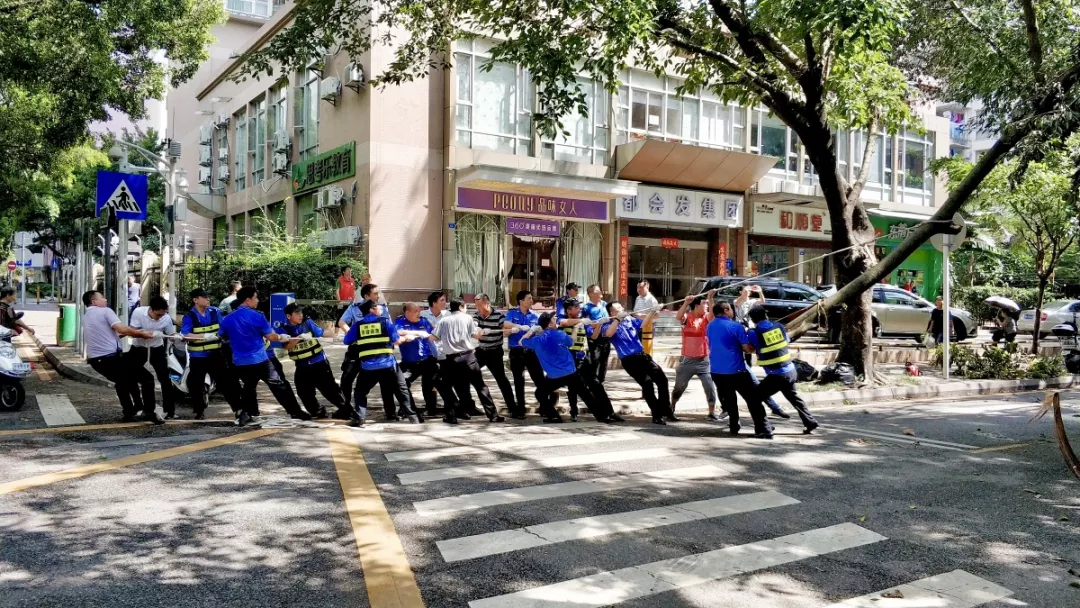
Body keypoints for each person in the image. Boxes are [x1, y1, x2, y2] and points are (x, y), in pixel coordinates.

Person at [218, 287, 310, 425]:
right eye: (256, 298)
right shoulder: (257, 316)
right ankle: (295, 411)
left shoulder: (227, 319)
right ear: (248, 300)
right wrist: (282, 337)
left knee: (249, 387)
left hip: (240, 361)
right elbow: (271, 336)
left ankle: (245, 414)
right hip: (260, 359)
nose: (257, 300)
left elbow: (222, 336)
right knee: (278, 384)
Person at [80, 290, 163, 424]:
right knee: (147, 378)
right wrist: (141, 334)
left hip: (97, 361)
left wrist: (135, 331)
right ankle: (147, 412)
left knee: (123, 380)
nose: (105, 299)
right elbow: (122, 329)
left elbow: (112, 334)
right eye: (102, 297)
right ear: (94, 301)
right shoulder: (105, 311)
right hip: (110, 358)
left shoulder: (86, 315)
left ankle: (130, 411)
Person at [523, 312, 620, 424]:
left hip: (554, 376)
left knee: (540, 393)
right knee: (585, 394)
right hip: (570, 372)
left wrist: (530, 331)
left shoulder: (536, 340)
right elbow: (571, 342)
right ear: (549, 325)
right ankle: (602, 416)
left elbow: (522, 342)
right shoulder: (559, 334)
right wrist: (576, 328)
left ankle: (554, 416)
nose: (555, 319)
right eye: (553, 319)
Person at [343, 299, 421, 425]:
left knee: (360, 392)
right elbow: (397, 340)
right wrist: (407, 337)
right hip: (388, 365)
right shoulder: (385, 322)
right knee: (402, 390)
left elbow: (346, 340)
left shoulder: (358, 325)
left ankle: (360, 417)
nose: (381, 309)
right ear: (371, 310)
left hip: (368, 367)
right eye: (378, 307)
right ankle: (413, 417)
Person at [746, 306, 819, 434]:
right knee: (794, 398)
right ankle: (810, 422)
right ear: (766, 315)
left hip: (777, 375)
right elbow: (786, 340)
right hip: (790, 370)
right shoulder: (779, 326)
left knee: (753, 399)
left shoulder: (754, 333)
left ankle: (765, 430)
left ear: (752, 320)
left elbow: (751, 348)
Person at [707, 301, 774, 439]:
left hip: (717, 371)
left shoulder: (710, 325)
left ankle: (734, 425)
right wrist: (754, 343)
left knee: (729, 399)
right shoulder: (736, 326)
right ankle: (764, 428)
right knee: (753, 399)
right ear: (726, 310)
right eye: (731, 309)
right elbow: (748, 348)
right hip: (736, 370)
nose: (733, 311)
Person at [601, 301, 674, 425]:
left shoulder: (629, 319)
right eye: (619, 308)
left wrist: (652, 311)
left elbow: (643, 324)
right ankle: (657, 415)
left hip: (642, 355)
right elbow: (608, 333)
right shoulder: (607, 324)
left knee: (662, 379)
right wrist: (617, 319)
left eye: (621, 306)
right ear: (612, 312)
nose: (623, 308)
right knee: (647, 384)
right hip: (629, 360)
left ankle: (666, 410)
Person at [432, 299, 504, 424]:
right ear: (461, 307)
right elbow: (476, 335)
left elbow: (434, 337)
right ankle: (493, 415)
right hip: (468, 357)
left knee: (448, 386)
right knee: (480, 386)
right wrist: (483, 331)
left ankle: (451, 416)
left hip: (451, 359)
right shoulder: (467, 318)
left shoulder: (443, 321)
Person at [180, 288, 244, 420]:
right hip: (198, 357)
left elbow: (224, 327)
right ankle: (199, 411)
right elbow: (185, 335)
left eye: (208, 296)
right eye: (204, 297)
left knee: (225, 382)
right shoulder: (189, 316)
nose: (208, 299)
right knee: (195, 384)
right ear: (195, 300)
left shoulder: (215, 312)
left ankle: (238, 409)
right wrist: (204, 336)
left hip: (216, 354)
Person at [279, 303, 347, 419]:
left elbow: (321, 332)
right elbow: (287, 346)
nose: (300, 315)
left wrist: (336, 335)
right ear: (289, 316)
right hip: (302, 365)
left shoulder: (307, 322)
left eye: (301, 312)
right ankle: (318, 412)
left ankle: (347, 411)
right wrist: (299, 338)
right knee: (303, 392)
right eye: (297, 313)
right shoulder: (284, 328)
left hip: (319, 362)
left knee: (330, 390)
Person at [558, 298, 620, 423]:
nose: (579, 309)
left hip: (582, 358)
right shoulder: (562, 319)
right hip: (569, 358)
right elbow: (564, 322)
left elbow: (594, 336)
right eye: (576, 307)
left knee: (596, 384)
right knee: (573, 387)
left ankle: (609, 412)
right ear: (568, 310)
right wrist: (582, 321)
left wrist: (599, 324)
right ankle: (574, 412)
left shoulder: (583, 322)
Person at [672, 293, 722, 422]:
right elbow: (678, 317)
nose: (706, 306)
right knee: (679, 387)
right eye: (704, 303)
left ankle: (711, 412)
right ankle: (671, 409)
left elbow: (713, 314)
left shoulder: (707, 318)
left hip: (704, 360)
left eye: (707, 304)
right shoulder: (687, 317)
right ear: (696, 306)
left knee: (709, 387)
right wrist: (685, 303)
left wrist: (710, 298)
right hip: (687, 360)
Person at [128, 296, 177, 419]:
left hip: (157, 348)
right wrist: (143, 334)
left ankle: (169, 410)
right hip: (139, 347)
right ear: (151, 309)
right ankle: (138, 405)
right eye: (157, 315)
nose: (159, 317)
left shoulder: (166, 318)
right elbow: (132, 331)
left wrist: (177, 337)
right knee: (131, 375)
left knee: (165, 379)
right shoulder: (138, 312)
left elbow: (171, 335)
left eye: (162, 315)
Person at [394, 302, 440, 418]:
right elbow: (397, 332)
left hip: (426, 359)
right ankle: (409, 409)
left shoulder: (424, 321)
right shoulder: (400, 321)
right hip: (409, 362)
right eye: (415, 311)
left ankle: (431, 409)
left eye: (419, 311)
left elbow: (433, 333)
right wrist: (416, 333)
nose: (418, 313)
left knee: (429, 384)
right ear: (407, 312)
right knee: (402, 383)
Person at [473, 294, 517, 412]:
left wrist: (511, 330)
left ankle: (513, 408)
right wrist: (479, 330)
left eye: (479, 305)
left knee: (501, 380)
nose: (477, 308)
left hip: (495, 352)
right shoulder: (477, 315)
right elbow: (474, 326)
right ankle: (469, 406)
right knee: (467, 374)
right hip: (481, 351)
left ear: (487, 303)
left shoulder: (499, 316)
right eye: (476, 305)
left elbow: (505, 329)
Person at [505, 290, 545, 419]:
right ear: (521, 301)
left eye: (531, 298)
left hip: (531, 351)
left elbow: (542, 329)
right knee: (519, 380)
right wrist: (518, 327)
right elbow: (505, 324)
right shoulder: (512, 313)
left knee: (539, 379)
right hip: (516, 351)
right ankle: (520, 409)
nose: (531, 301)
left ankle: (545, 407)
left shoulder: (534, 315)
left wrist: (538, 331)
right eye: (529, 298)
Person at [582, 284, 611, 382]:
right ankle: (593, 383)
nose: (600, 292)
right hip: (594, 338)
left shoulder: (605, 304)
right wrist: (596, 324)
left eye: (600, 290)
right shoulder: (586, 308)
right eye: (597, 291)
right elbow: (586, 324)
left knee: (604, 362)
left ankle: (601, 383)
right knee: (595, 361)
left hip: (606, 337)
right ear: (591, 294)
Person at [633, 281, 659, 356]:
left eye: (641, 287)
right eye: (638, 287)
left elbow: (656, 315)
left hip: (647, 327)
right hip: (638, 326)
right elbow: (636, 311)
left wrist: (642, 316)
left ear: (647, 287)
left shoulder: (652, 299)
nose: (639, 290)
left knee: (645, 349)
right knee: (638, 349)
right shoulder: (638, 298)